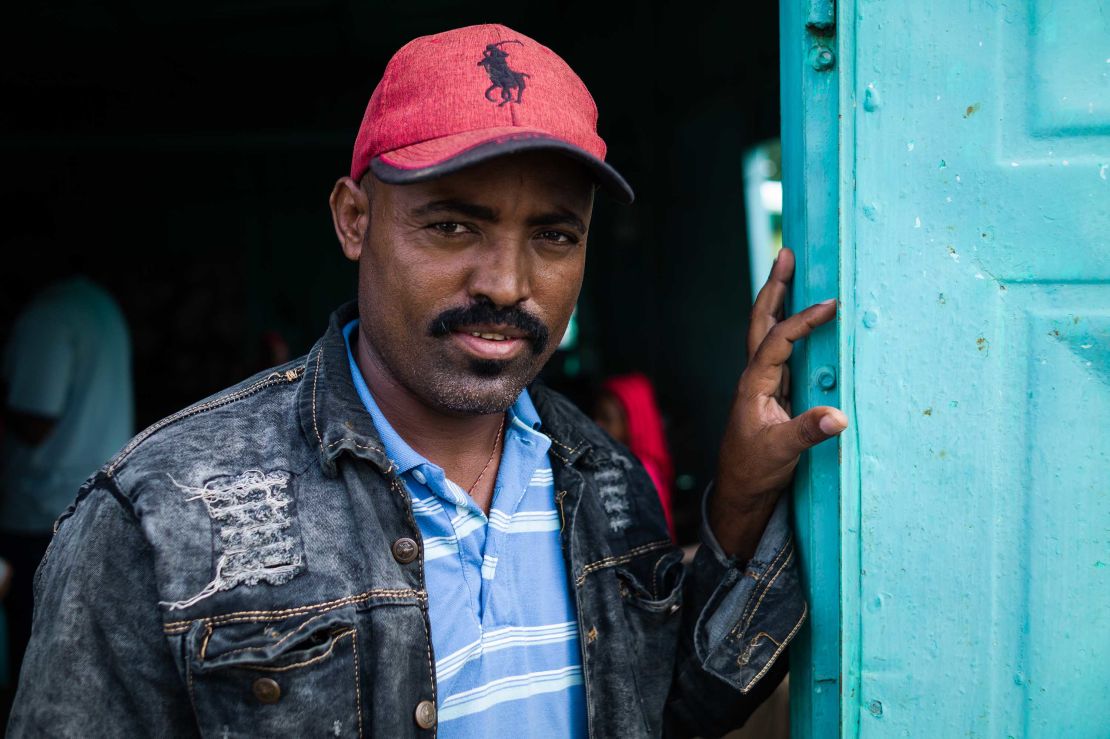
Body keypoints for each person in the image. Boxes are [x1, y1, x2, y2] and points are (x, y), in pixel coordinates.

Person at [8, 24, 847, 737]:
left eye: (554, 236)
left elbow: (669, 709)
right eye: (452, 224)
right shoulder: (161, 513)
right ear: (354, 220)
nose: (507, 284)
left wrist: (739, 492)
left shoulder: (602, 478)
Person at [0, 275, 133, 724]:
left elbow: (36, 418)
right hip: (98, 499)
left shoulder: (48, 316)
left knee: (34, 655)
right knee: (81, 652)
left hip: (43, 510)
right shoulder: (99, 304)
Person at [594, 373, 677, 539]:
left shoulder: (640, 471)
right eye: (596, 415)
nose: (597, 424)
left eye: (607, 418)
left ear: (632, 421)